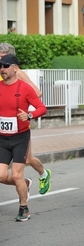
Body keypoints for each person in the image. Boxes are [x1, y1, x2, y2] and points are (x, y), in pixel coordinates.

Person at [0, 42, 52, 195]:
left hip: (19, 126)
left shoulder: (18, 73)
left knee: (28, 160)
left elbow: (37, 93)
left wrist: (20, 101)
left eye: (3, 58)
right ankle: (25, 182)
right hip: (3, 126)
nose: (1, 63)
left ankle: (43, 174)